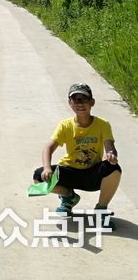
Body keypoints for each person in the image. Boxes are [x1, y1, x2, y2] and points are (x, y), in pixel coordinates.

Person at [32, 83, 122, 228]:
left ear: (92, 102)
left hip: (92, 174)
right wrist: (47, 168)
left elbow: (110, 146)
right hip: (70, 172)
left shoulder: (102, 125)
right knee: (39, 177)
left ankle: (101, 210)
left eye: (84, 99)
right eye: (75, 100)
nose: (80, 104)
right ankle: (69, 197)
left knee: (114, 168)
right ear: (70, 103)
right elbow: (48, 147)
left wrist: (111, 154)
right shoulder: (65, 125)